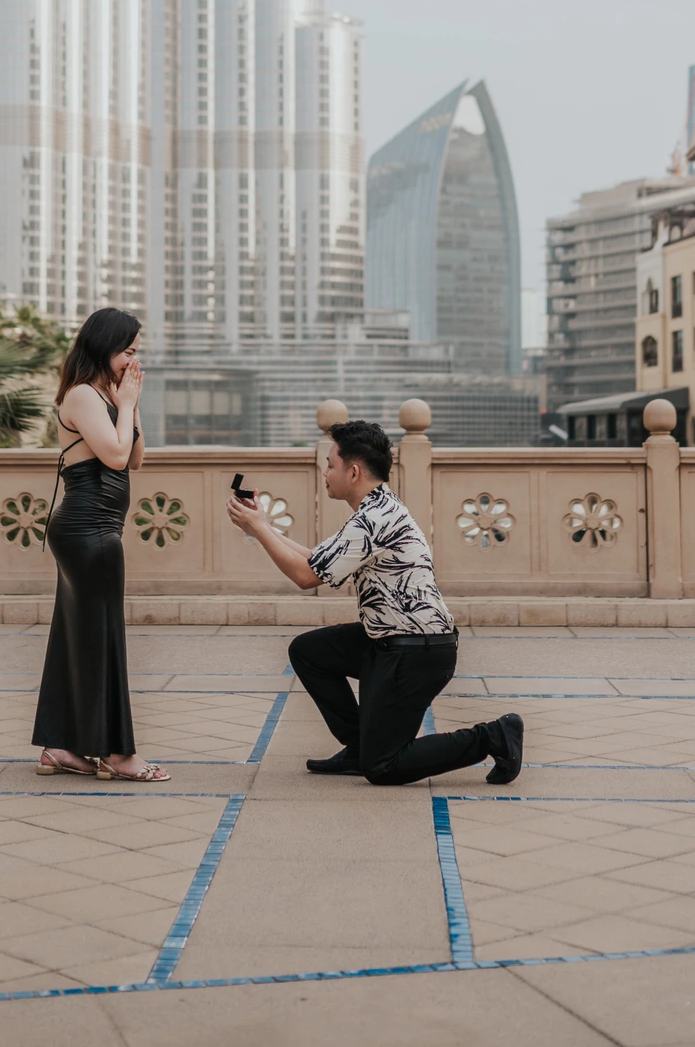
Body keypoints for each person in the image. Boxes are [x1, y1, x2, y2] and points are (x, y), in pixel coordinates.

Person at [226, 419, 523, 786]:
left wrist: (258, 529)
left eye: (330, 465)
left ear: (353, 472)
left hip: (417, 653)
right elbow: (317, 560)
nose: (325, 473)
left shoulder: (373, 519)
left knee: (383, 767)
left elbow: (305, 577)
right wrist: (261, 527)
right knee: (309, 651)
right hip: (387, 640)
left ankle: (494, 736)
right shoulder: (377, 508)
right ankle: (359, 746)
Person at [32, 308, 170, 781]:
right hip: (87, 529)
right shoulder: (81, 395)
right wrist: (123, 405)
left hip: (97, 529)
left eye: (136, 351)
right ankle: (116, 754)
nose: (134, 360)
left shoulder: (106, 396)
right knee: (103, 638)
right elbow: (113, 455)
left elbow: (136, 458)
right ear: (103, 347)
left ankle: (61, 747)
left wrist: (130, 403)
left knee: (80, 637)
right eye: (127, 351)